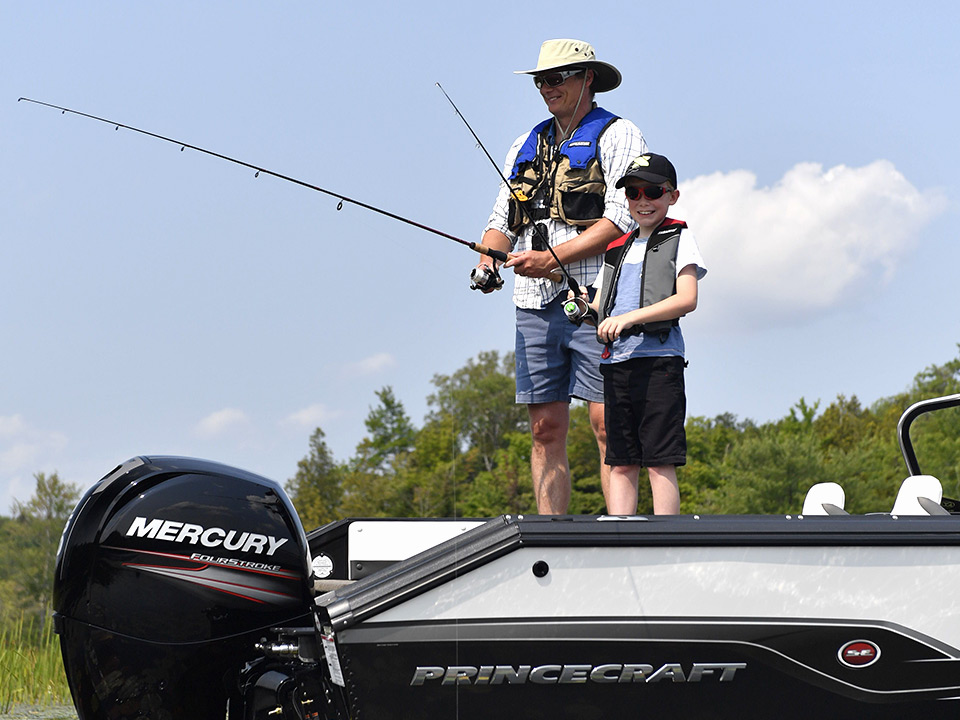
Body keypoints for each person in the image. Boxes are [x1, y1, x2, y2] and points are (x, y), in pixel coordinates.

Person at [475, 39, 648, 514]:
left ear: (587, 78)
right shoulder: (523, 144)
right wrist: (487, 262)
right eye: (540, 81)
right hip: (533, 302)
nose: (546, 88)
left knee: (608, 424)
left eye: (555, 78)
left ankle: (621, 532)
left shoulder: (620, 135)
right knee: (544, 429)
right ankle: (551, 536)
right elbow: (501, 218)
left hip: (600, 300)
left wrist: (553, 259)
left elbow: (622, 219)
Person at [574, 152, 706, 515]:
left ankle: (667, 540)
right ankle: (622, 536)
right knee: (621, 462)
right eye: (633, 193)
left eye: (653, 192)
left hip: (660, 363)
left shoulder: (680, 238)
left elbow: (688, 299)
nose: (643, 201)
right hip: (617, 365)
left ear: (672, 196)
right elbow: (600, 309)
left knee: (660, 461)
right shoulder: (615, 249)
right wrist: (581, 307)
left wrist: (629, 318)